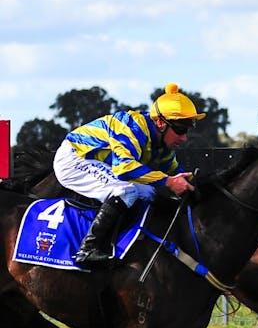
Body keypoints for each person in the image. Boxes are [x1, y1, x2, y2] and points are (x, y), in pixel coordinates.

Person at [54, 82, 201, 266]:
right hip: (74, 158)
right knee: (126, 191)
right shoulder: (134, 128)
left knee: (149, 193)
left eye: (187, 131)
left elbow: (174, 172)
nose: (184, 138)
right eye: (180, 130)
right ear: (161, 123)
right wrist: (169, 182)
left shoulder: (162, 146)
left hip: (98, 163)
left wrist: (195, 183)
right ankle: (87, 249)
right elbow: (124, 168)